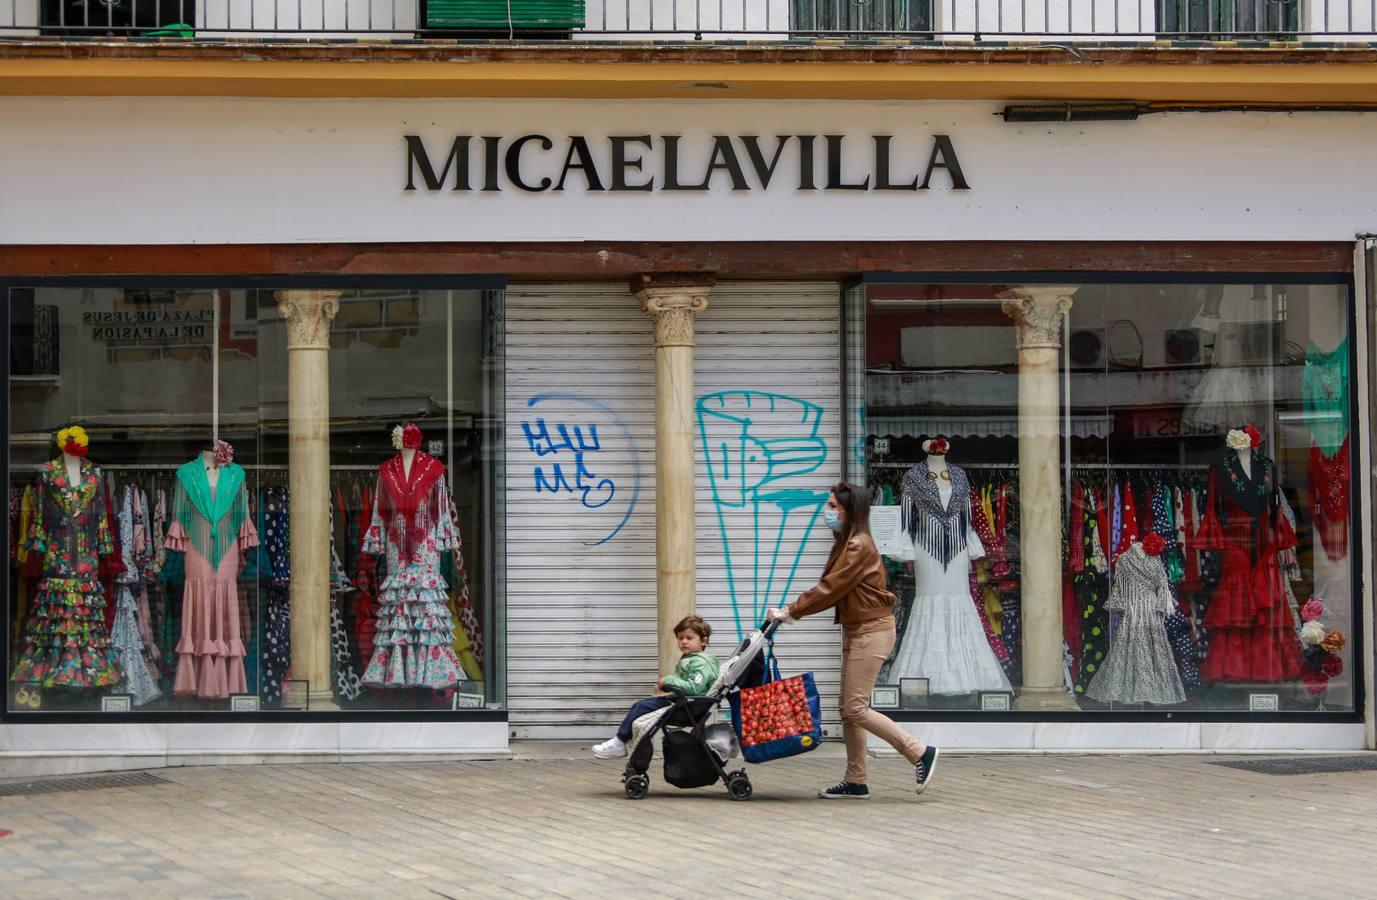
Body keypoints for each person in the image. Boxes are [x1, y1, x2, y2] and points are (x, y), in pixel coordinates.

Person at [768, 482, 940, 799]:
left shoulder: (858, 545)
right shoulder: (846, 541)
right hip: (857, 629)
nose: (827, 511)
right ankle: (856, 779)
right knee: (848, 709)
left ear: (850, 511)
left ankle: (919, 752)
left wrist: (791, 611)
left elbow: (831, 587)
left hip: (871, 631)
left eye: (833, 506)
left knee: (856, 708)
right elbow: (832, 587)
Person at [592, 615, 721, 759]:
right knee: (641, 707)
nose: (683, 641)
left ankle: (619, 743)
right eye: (680, 638)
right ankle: (625, 747)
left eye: (689, 638)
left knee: (641, 707)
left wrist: (668, 681)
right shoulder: (692, 659)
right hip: (682, 704)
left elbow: (694, 688)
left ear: (704, 641)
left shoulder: (702, 663)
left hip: (687, 707)